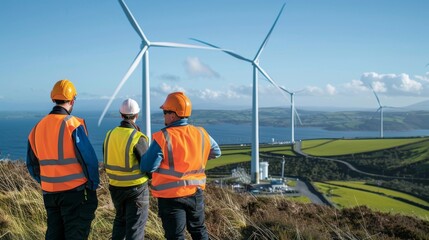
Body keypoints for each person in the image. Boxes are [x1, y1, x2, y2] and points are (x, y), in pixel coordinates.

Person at [141, 92, 221, 240]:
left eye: (165, 112)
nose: (163, 115)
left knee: (176, 236)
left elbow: (147, 167)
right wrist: (197, 157)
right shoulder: (201, 133)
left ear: (173, 115)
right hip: (195, 193)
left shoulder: (164, 137)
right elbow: (216, 151)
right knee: (199, 231)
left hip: (171, 197)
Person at [26, 79, 99, 239]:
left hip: (49, 193)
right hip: (74, 192)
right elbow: (88, 159)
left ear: (53, 98)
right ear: (72, 101)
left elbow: (31, 164)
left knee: (54, 233)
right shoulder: (72, 124)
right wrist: (93, 185)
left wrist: (47, 181)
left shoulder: (37, 127)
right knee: (75, 234)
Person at [103, 98, 150, 240]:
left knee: (120, 223)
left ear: (120, 114)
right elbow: (148, 165)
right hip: (137, 189)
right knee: (135, 228)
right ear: (137, 115)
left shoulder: (109, 134)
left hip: (115, 187)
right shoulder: (137, 137)